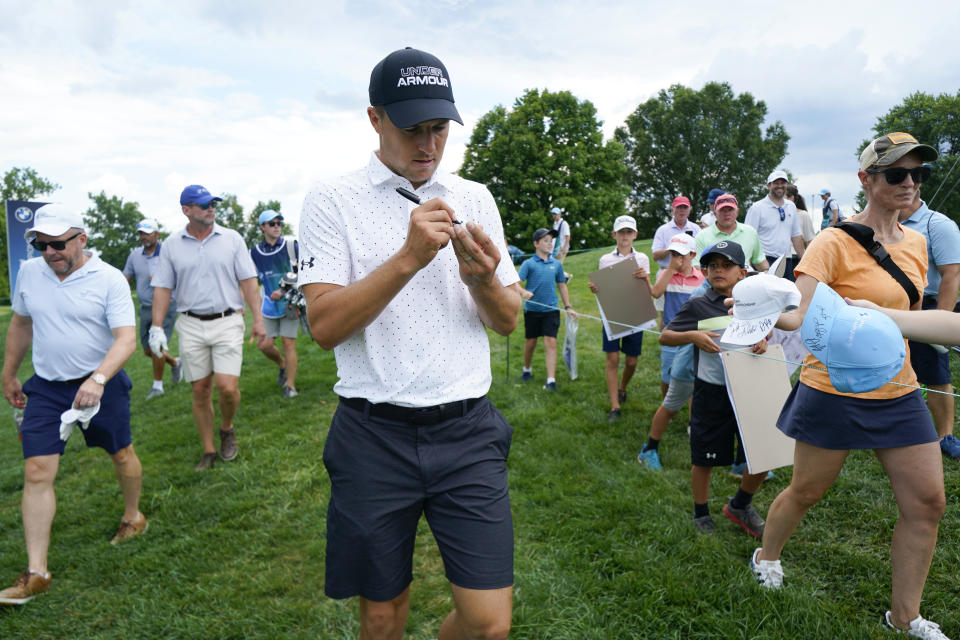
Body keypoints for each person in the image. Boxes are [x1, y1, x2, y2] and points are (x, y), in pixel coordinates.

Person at [298, 47, 522, 640]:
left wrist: (482, 281)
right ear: (375, 120)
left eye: (439, 129)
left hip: (467, 427)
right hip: (373, 433)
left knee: (489, 622)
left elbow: (506, 320)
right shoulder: (332, 200)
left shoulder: (475, 198)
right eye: (411, 129)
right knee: (380, 613)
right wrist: (408, 257)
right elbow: (322, 326)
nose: (427, 145)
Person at [750, 133, 950, 639]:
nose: (910, 183)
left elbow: (909, 316)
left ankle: (905, 618)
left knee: (927, 503)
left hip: (899, 390)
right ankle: (767, 555)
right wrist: (760, 309)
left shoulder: (919, 243)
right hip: (832, 388)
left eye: (918, 174)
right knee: (807, 489)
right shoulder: (833, 241)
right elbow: (798, 311)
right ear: (866, 180)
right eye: (896, 174)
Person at [0, 204, 146, 606]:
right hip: (46, 388)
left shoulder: (109, 279)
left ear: (81, 238)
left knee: (120, 453)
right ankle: (37, 572)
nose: (49, 253)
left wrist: (97, 380)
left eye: (58, 244)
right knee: (37, 469)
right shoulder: (30, 272)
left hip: (103, 383)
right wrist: (9, 372)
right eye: (41, 245)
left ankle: (133, 516)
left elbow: (126, 339)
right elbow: (22, 323)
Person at [150, 185, 266, 471]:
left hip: (227, 320)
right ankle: (209, 449)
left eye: (212, 204)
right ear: (186, 210)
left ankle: (226, 428)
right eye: (203, 205)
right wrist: (156, 328)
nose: (210, 208)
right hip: (190, 323)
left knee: (227, 388)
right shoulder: (172, 245)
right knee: (200, 389)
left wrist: (259, 318)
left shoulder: (232, 239)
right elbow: (163, 288)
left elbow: (249, 281)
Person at [659, 241, 769, 537]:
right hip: (711, 391)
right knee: (703, 457)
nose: (718, 271)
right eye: (712, 266)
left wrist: (763, 339)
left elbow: (768, 328)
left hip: (751, 387)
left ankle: (740, 504)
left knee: (763, 453)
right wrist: (693, 335)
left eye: (726, 265)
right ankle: (701, 510)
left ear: (743, 272)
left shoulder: (756, 302)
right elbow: (665, 336)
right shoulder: (698, 304)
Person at [895, 191, 960, 459]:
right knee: (897, 368)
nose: (905, 184)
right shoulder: (882, 223)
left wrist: (939, 321)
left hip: (930, 306)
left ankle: (946, 435)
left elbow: (952, 274)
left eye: (912, 176)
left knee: (936, 376)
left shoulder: (938, 224)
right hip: (892, 307)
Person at [637, 233, 705, 469]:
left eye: (680, 255)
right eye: (673, 254)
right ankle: (669, 408)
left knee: (694, 381)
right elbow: (656, 293)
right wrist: (669, 269)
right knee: (668, 378)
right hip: (671, 334)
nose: (676, 259)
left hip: (692, 337)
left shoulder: (701, 278)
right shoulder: (666, 274)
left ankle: (690, 420)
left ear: (693, 256)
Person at [588, 215, 652, 422]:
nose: (625, 236)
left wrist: (645, 278)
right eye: (621, 232)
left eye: (629, 232)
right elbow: (603, 289)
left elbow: (648, 290)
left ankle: (622, 387)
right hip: (613, 314)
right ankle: (615, 406)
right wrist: (596, 288)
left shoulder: (642, 258)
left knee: (632, 362)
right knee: (613, 358)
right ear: (614, 235)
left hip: (635, 314)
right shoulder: (605, 259)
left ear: (635, 235)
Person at [122, 218, 182, 399]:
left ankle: (158, 386)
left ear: (157, 234)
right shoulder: (134, 255)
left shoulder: (170, 253)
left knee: (156, 346)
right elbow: (125, 278)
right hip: (145, 307)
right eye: (141, 233)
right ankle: (175, 362)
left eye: (147, 233)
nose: (143, 237)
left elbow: (184, 276)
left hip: (166, 306)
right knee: (147, 349)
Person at [250, 209, 300, 399]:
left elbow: (305, 270)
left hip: (290, 303)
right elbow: (251, 280)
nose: (277, 226)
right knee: (264, 345)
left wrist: (285, 290)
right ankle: (282, 364)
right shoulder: (254, 253)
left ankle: (291, 386)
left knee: (288, 344)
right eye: (272, 224)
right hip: (268, 307)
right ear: (262, 227)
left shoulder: (291, 246)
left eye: (279, 223)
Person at [518, 228, 576, 391]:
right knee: (531, 342)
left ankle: (551, 380)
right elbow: (516, 283)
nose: (550, 244)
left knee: (550, 342)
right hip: (532, 311)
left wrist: (568, 306)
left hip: (551, 310)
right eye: (546, 240)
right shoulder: (528, 264)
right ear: (536, 244)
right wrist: (523, 292)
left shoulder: (556, 264)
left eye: (551, 241)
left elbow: (562, 285)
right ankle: (527, 368)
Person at [745, 170, 804, 281]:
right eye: (776, 183)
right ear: (768, 186)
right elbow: (748, 237)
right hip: (764, 260)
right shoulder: (757, 208)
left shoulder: (791, 206)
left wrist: (804, 261)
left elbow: (796, 236)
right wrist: (747, 265)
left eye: (783, 183)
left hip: (786, 260)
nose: (780, 186)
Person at [695, 194, 769, 272]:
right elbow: (696, 266)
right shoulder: (702, 236)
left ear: (737, 212)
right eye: (722, 210)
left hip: (744, 281)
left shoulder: (750, 232)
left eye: (730, 209)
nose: (727, 213)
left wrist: (766, 272)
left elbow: (759, 260)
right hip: (714, 281)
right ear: (715, 214)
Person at [651, 196, 699, 269]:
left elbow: (702, 251)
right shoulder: (662, 230)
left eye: (685, 207)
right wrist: (672, 248)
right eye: (679, 207)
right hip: (667, 272)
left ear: (689, 210)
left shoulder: (696, 228)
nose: (682, 210)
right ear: (672, 210)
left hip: (690, 272)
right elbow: (655, 256)